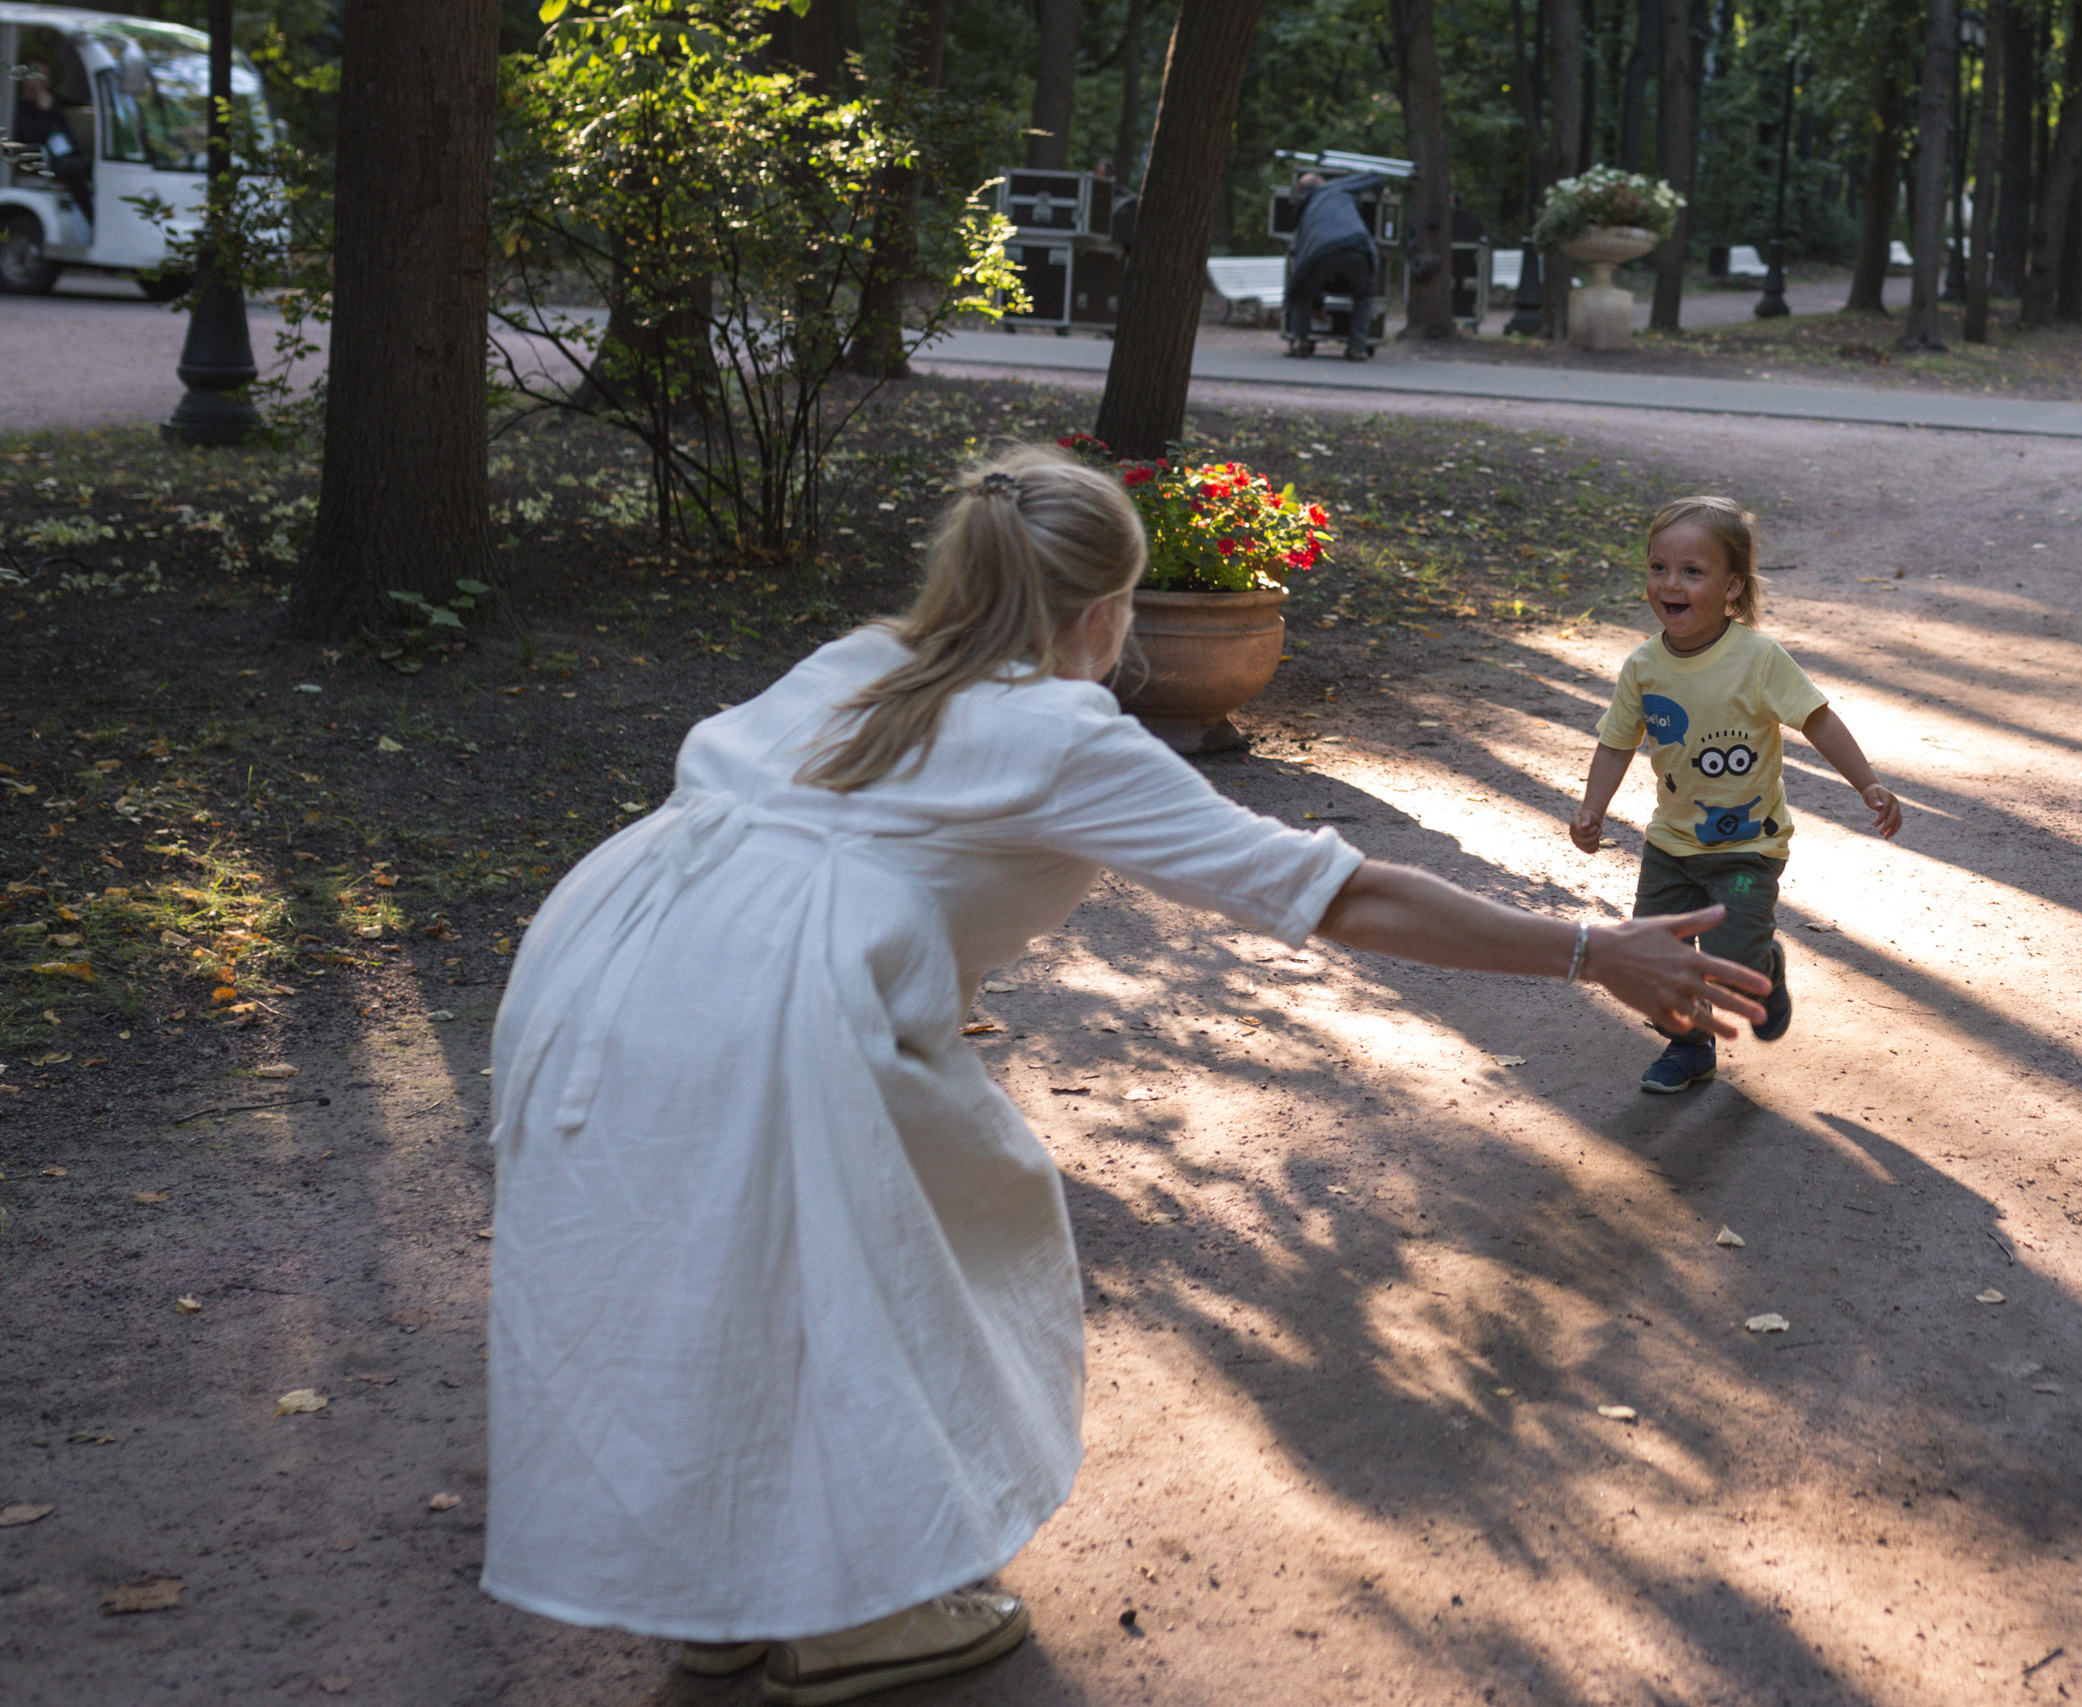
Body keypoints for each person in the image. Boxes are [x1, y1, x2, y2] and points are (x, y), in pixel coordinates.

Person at [479, 445, 1771, 1703]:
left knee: (734, 1269)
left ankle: (730, 1597)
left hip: (612, 969)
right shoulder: (1057, 732)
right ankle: (859, 1615)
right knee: (879, 1261)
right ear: (1106, 610)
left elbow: (812, 836)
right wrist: (1589, 947)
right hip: (767, 1015)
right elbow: (1336, 888)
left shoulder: (857, 662)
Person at [1569, 496, 1903, 1094]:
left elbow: (1817, 719)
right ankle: (1689, 1049)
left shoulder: (1756, 658)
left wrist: (1867, 782)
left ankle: (1764, 972)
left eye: (1692, 571)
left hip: (1748, 852)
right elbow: (1617, 744)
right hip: (1670, 849)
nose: (1670, 583)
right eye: (1658, 567)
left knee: (1736, 966)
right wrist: (1593, 807)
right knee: (1657, 959)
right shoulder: (1644, 668)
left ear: (1731, 588)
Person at [1283, 169, 1383, 360]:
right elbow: (1373, 177)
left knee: (1302, 292)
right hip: (1356, 246)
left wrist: (1316, 300)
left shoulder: (1302, 210)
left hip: (1321, 251)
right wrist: (1378, 193)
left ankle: (1300, 342)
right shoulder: (1334, 187)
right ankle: (1357, 348)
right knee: (1363, 296)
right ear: (1321, 181)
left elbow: (1303, 263)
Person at [10, 64, 94, 228]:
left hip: (67, 155)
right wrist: (44, 111)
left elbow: (72, 102)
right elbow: (35, 135)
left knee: (95, 167)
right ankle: (92, 218)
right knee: (74, 169)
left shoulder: (52, 100)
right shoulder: (21, 108)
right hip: (42, 158)